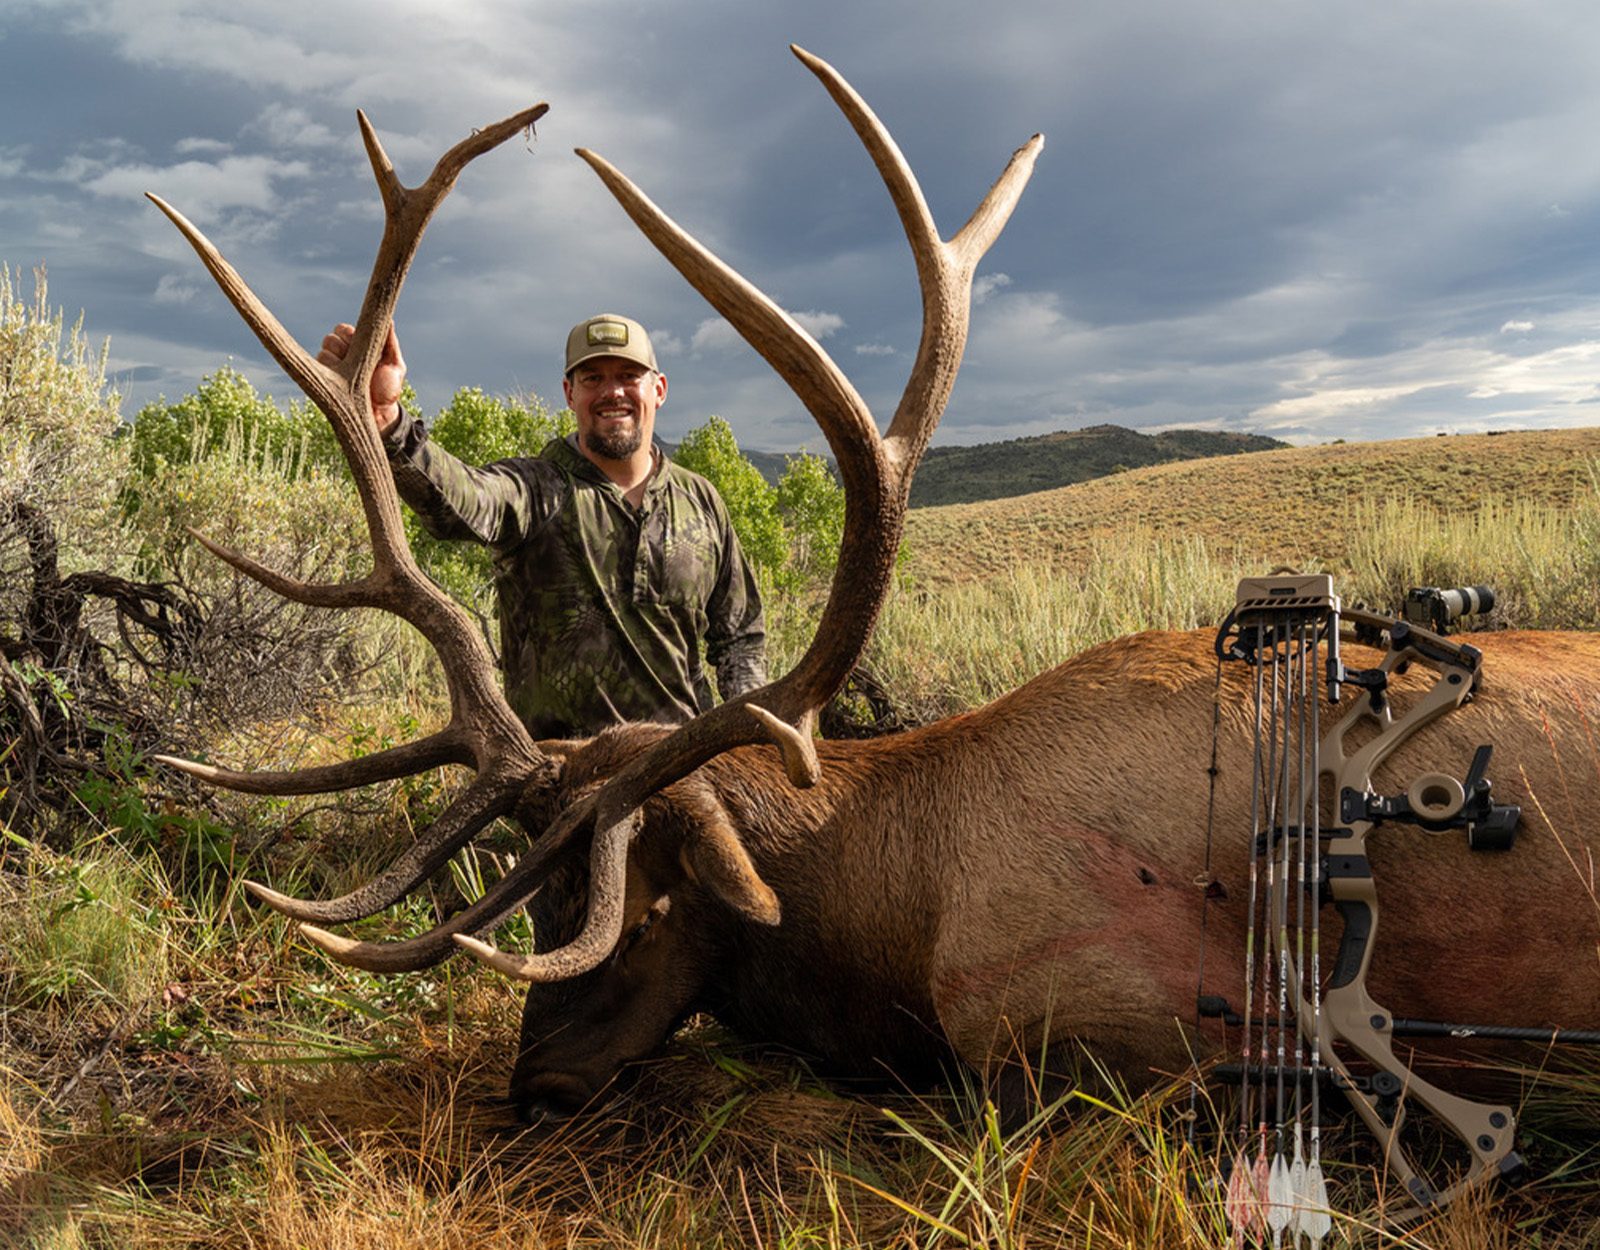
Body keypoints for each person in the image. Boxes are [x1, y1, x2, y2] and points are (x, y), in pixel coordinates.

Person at [317, 313, 767, 740]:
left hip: (687, 778)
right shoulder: (535, 489)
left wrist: (748, 740)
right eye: (593, 378)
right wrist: (389, 423)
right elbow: (463, 499)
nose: (613, 392)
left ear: (659, 389)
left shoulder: (702, 502)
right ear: (570, 393)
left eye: (628, 376)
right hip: (564, 780)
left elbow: (740, 638)